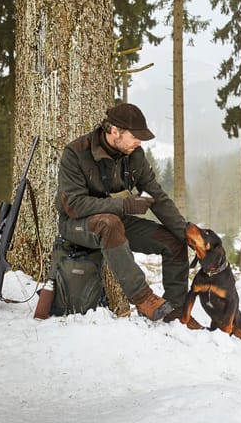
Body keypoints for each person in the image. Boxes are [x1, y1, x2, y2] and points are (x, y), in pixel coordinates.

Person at [55, 102, 201, 328]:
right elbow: (74, 205)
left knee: (173, 241)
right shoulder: (75, 153)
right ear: (114, 131)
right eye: (135, 137)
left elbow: (157, 197)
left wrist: (186, 234)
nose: (139, 142)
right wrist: (124, 205)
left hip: (116, 223)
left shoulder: (135, 155)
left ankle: (176, 313)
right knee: (109, 223)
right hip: (76, 224)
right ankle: (143, 299)